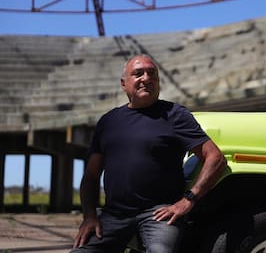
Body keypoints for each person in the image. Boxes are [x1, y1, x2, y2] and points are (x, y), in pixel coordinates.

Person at [71, 54, 227, 253]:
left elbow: (215, 157)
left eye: (151, 73)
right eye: (138, 74)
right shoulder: (108, 121)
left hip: (159, 214)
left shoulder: (175, 115)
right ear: (124, 83)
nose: (146, 78)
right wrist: (90, 216)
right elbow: (91, 176)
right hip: (114, 215)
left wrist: (188, 201)